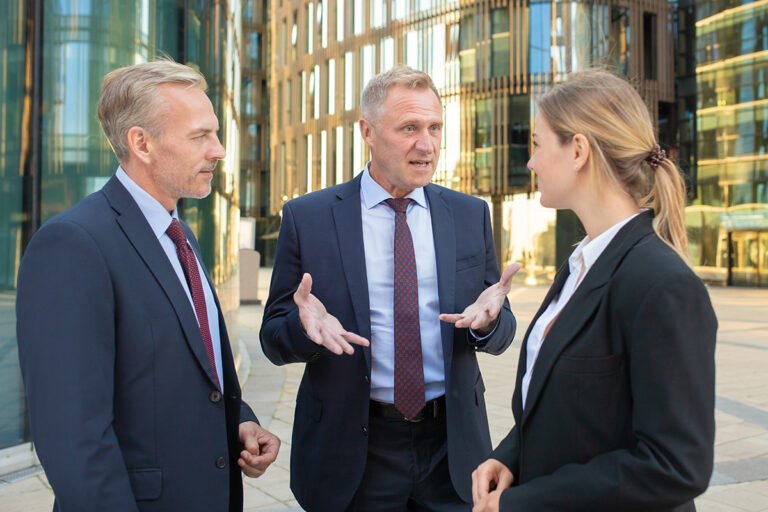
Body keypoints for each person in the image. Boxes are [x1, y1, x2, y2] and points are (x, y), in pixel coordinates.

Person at [16, 59, 280, 512]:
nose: (218, 150)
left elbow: (193, 373)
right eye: (201, 136)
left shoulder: (180, 234)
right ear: (142, 143)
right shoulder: (72, 245)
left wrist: (239, 421)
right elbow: (74, 440)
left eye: (215, 134)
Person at [260, 66, 519, 511]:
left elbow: (497, 321)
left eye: (435, 127)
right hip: (352, 453)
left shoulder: (469, 214)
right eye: (409, 128)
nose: (428, 144)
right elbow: (273, 338)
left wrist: (488, 324)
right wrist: (305, 331)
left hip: (452, 450)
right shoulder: (309, 217)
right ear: (368, 131)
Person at [471, 70, 717, 512]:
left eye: (539, 145)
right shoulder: (581, 264)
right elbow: (565, 409)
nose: (531, 162)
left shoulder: (662, 284)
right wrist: (509, 457)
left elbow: (675, 465)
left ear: (579, 150)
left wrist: (525, 503)